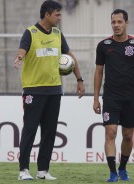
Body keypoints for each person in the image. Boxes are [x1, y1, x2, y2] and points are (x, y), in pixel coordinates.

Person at [13, 0, 85, 180]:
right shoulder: (31, 32)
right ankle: (23, 170)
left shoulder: (58, 34)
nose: (60, 17)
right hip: (33, 90)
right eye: (57, 14)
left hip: (54, 90)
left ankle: (43, 171)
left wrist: (79, 78)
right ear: (47, 14)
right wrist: (19, 58)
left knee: (49, 131)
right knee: (30, 129)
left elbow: (70, 57)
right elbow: (22, 49)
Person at [93, 9, 134, 182]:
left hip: (130, 98)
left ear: (126, 23)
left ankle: (123, 168)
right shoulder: (103, 46)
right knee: (110, 133)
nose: (116, 25)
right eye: (113, 22)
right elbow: (98, 72)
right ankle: (112, 173)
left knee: (127, 135)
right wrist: (95, 98)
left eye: (119, 22)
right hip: (110, 97)